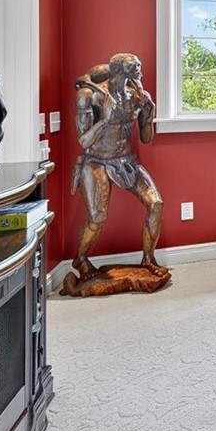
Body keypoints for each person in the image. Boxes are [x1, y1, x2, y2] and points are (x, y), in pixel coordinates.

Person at [71, 53, 167, 280]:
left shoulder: (136, 95)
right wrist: (105, 118)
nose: (140, 70)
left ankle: (148, 259)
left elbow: (145, 138)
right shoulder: (90, 95)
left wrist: (148, 114)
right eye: (134, 66)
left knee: (156, 204)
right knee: (97, 218)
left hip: (126, 160)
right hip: (96, 160)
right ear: (118, 70)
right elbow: (83, 141)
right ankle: (81, 259)